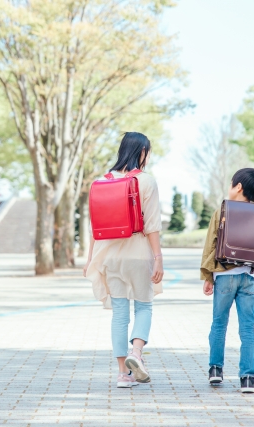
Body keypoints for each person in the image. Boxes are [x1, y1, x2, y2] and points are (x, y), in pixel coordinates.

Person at [84, 132, 164, 389]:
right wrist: (158, 257)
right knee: (144, 307)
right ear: (142, 151)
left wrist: (89, 260)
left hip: (110, 258)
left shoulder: (101, 181)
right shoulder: (147, 181)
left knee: (119, 314)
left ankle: (123, 375)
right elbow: (151, 225)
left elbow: (94, 227)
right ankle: (136, 353)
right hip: (139, 254)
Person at [200, 168, 254, 393]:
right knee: (248, 330)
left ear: (239, 187)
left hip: (223, 276)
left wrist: (207, 275)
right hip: (249, 278)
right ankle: (248, 378)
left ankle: (215, 370)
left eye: (232, 184)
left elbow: (211, 245)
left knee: (219, 324)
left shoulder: (222, 210)